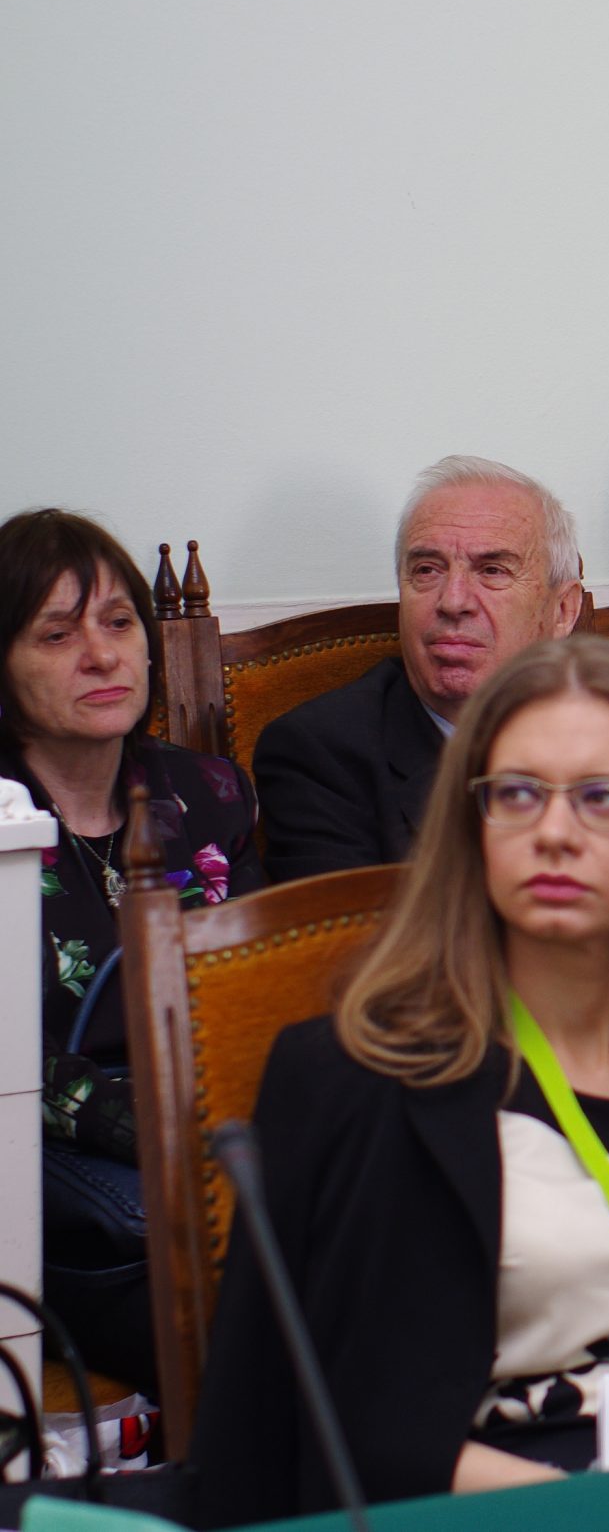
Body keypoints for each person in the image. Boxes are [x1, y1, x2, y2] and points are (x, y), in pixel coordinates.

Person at [195, 638, 609, 1524]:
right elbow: (335, 1429)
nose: (554, 830)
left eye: (604, 797)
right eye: (516, 793)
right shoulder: (361, 1080)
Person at [1, 508, 264, 1387]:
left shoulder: (209, 792)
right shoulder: (2, 822)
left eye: (118, 623)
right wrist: (153, 1120)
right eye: (56, 634)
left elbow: (257, 991)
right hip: (45, 1159)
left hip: (215, 1125)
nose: (101, 655)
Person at [256, 456, 584, 880]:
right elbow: (348, 924)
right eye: (427, 570)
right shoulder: (320, 753)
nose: (453, 602)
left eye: (492, 571)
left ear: (562, 611)